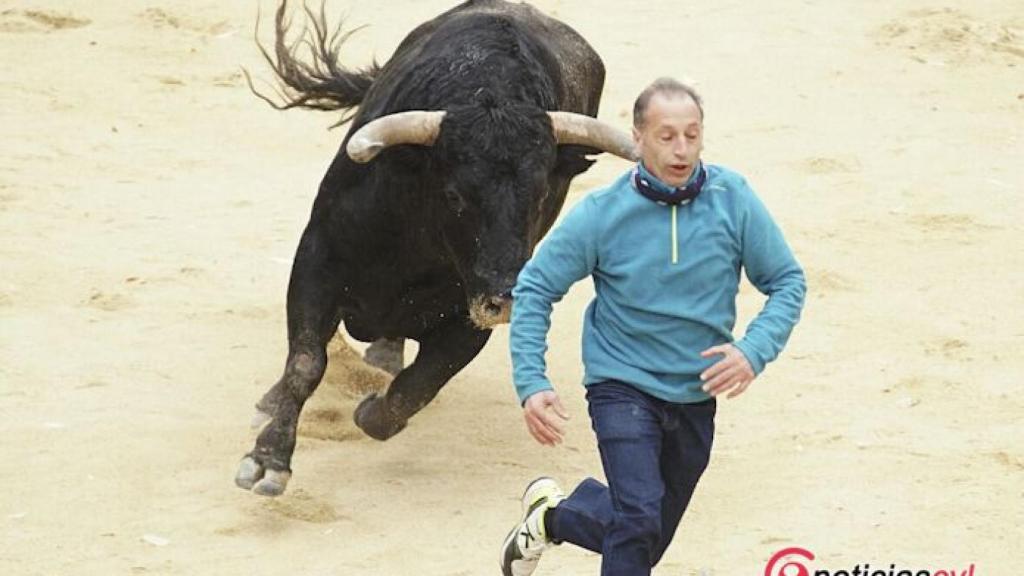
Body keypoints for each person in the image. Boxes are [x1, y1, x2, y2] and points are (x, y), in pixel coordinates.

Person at [499, 77, 807, 576]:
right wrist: (531, 381)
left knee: (644, 535)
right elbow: (535, 287)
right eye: (666, 136)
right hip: (622, 385)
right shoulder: (601, 213)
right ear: (637, 140)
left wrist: (754, 350)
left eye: (692, 134)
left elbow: (787, 281)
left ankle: (552, 517)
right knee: (639, 518)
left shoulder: (735, 198)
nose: (681, 148)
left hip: (694, 393)